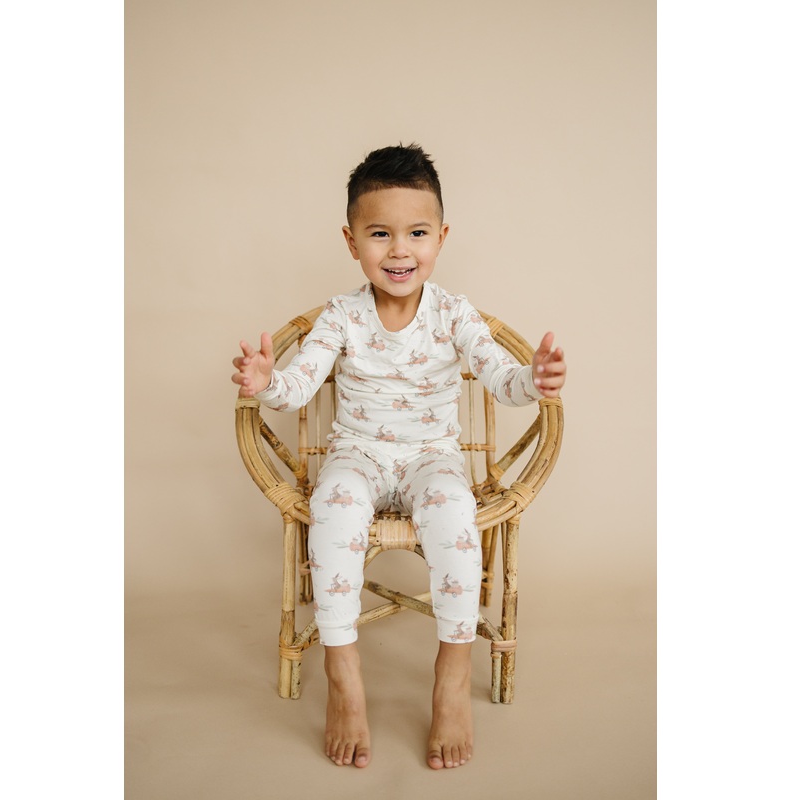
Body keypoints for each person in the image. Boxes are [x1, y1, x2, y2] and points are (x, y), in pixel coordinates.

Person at [231, 144, 566, 770]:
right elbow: (297, 386)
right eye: (379, 233)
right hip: (357, 455)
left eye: (416, 233)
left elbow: (502, 378)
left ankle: (451, 673)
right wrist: (265, 382)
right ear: (351, 241)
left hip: (431, 458)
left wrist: (535, 379)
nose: (399, 250)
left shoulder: (453, 313)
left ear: (441, 237)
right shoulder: (342, 315)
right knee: (333, 508)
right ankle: (343, 673)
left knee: (455, 516)